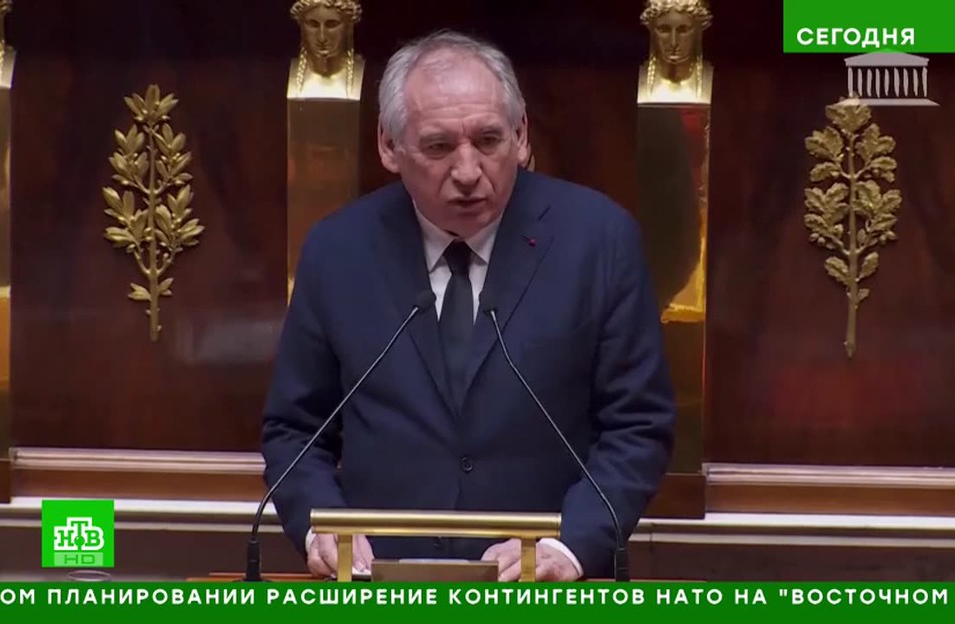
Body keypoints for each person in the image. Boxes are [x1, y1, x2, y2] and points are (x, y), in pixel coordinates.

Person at [261, 29, 677, 582]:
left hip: (542, 589)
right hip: (381, 587)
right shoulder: (338, 251)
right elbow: (295, 429)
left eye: (488, 140)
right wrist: (324, 526)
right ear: (389, 146)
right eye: (438, 147)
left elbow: (637, 427)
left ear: (521, 135)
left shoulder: (599, 241)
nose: (467, 172)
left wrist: (571, 545)